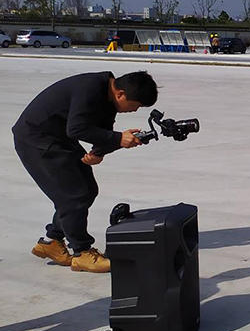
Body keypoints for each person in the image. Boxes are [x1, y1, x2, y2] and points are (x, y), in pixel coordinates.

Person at [12, 71, 158, 273]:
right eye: (136, 105)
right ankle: (82, 253)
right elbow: (77, 129)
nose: (135, 110)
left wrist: (98, 152)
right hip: (37, 139)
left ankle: (51, 242)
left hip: (58, 137)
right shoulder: (90, 89)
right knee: (74, 194)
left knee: (87, 190)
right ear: (121, 94)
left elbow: (102, 130)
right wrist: (118, 139)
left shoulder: (108, 95)